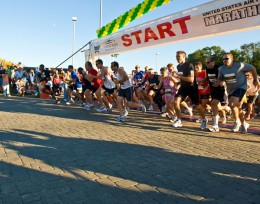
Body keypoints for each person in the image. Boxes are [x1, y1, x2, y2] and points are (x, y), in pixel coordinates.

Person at [215, 53, 260, 133]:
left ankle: (236, 122)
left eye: (227, 58)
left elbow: (252, 68)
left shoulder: (240, 65)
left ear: (232, 59)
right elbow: (220, 79)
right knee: (237, 107)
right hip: (230, 90)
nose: (225, 60)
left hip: (241, 87)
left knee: (232, 104)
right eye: (223, 59)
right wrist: (219, 82)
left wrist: (255, 79)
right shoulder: (221, 69)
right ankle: (244, 123)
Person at [172, 51, 206, 128]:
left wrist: (178, 76)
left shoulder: (189, 65)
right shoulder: (178, 66)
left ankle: (204, 119)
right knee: (176, 101)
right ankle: (179, 120)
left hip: (192, 88)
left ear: (184, 57)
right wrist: (178, 82)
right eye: (176, 56)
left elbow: (191, 79)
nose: (177, 58)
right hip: (183, 88)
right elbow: (182, 78)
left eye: (179, 56)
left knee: (198, 106)